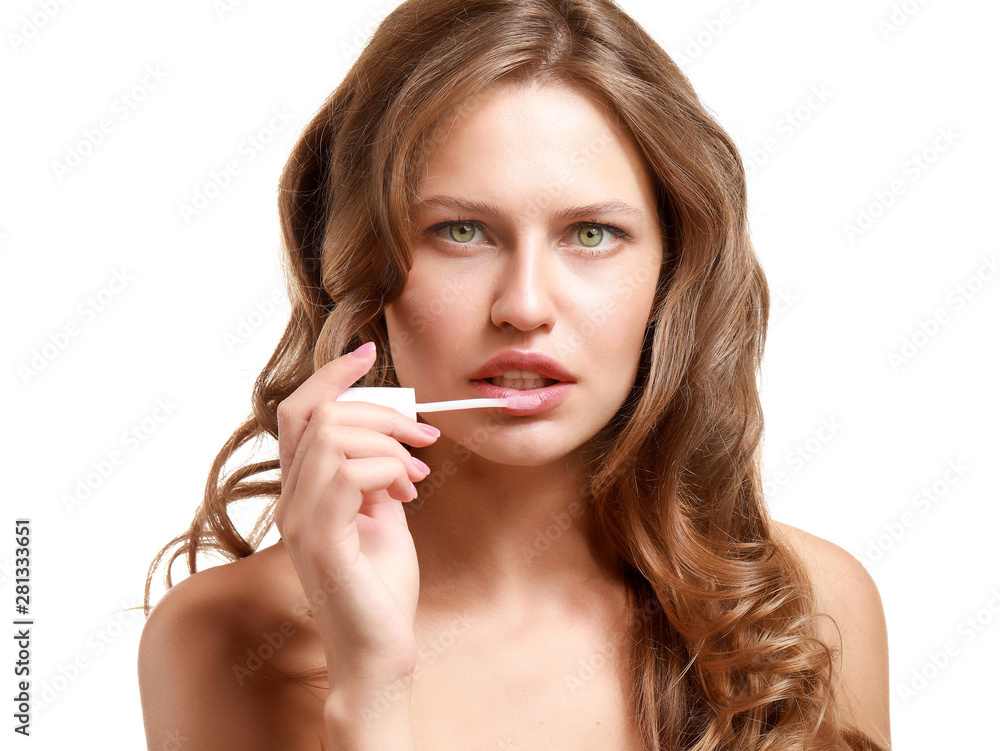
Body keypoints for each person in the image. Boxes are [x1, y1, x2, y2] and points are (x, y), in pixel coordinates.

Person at [138, 1, 891, 749]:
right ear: (362, 267)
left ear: (671, 274)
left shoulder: (813, 609)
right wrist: (370, 690)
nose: (525, 306)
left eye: (592, 234)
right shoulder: (224, 638)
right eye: (460, 231)